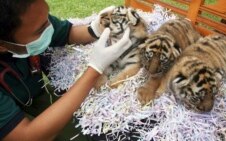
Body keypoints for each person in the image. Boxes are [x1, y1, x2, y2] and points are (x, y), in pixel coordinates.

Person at [0, 0, 132, 140]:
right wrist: (95, 68)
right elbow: (27, 136)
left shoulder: (29, 14)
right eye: (41, 29)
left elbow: (65, 33)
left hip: (32, 97)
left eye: (47, 18)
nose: (49, 27)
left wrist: (96, 29)